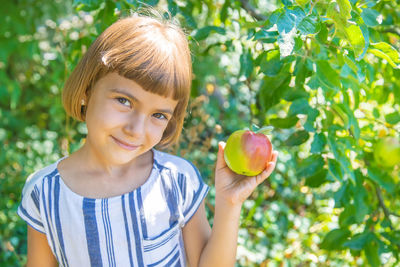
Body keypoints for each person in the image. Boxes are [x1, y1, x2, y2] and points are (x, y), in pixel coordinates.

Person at [17, 8, 278, 267]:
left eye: (159, 115)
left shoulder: (176, 181)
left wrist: (230, 203)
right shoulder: (45, 193)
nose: (136, 129)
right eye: (124, 101)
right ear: (87, 89)